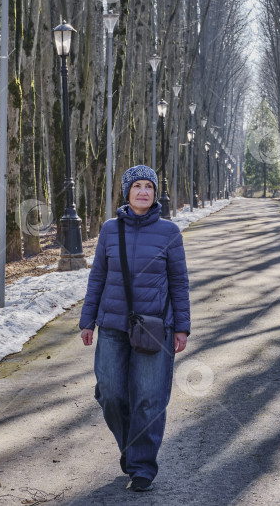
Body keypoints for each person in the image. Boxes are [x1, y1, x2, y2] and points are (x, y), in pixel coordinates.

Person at [79, 164, 190, 493]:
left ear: (156, 193)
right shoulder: (110, 230)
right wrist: (87, 320)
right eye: (137, 185)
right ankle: (131, 446)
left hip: (156, 328)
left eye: (149, 186)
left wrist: (181, 327)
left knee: (149, 399)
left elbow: (179, 284)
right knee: (110, 394)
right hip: (112, 325)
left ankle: (141, 465)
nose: (144, 191)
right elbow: (97, 276)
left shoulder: (170, 233)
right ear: (127, 191)